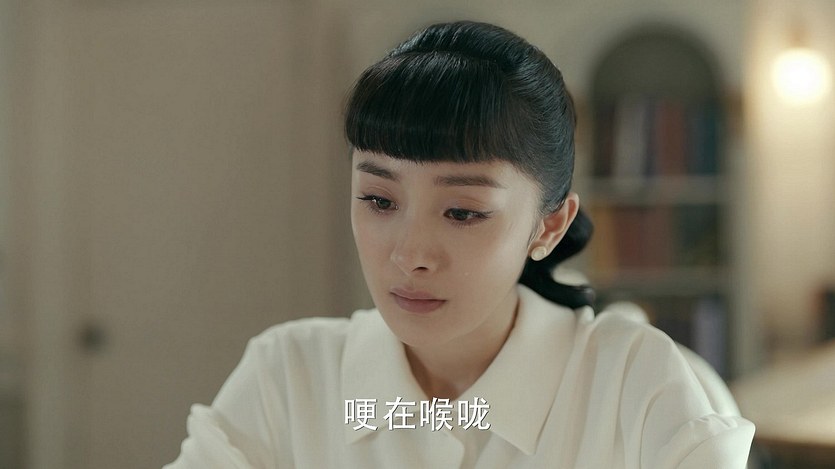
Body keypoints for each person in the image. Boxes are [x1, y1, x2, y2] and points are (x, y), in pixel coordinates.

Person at [165, 20, 754, 468]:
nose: (410, 254)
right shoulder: (288, 377)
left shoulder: (635, 384)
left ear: (549, 226)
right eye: (379, 200)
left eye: (463, 212)